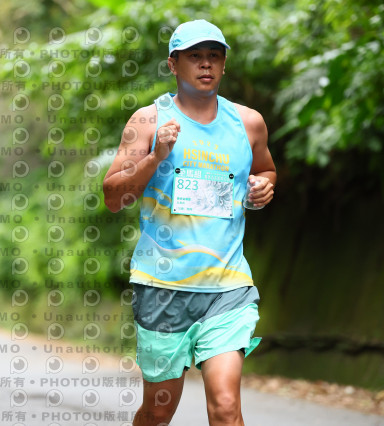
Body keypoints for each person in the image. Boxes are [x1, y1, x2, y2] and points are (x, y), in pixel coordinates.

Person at [103, 20, 276, 425]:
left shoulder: (248, 123)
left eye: (214, 55)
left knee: (226, 406)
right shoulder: (148, 121)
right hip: (162, 287)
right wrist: (155, 156)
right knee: (158, 411)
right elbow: (113, 197)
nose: (206, 64)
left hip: (227, 287)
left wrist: (263, 187)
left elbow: (266, 170)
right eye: (195, 56)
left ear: (224, 64)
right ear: (173, 64)